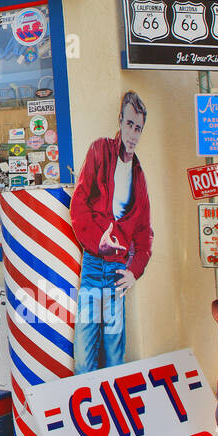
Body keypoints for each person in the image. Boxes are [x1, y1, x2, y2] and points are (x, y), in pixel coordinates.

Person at [69, 91, 153, 373]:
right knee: (83, 357)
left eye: (138, 128)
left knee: (115, 357)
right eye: (129, 124)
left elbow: (144, 234)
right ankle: (87, 414)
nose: (132, 133)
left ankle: (109, 415)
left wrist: (134, 271)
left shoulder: (139, 177)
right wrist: (96, 242)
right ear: (120, 121)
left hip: (118, 273)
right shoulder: (99, 151)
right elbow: (79, 204)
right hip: (93, 267)